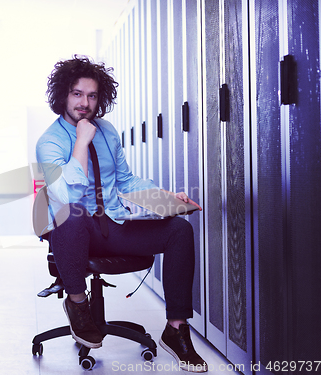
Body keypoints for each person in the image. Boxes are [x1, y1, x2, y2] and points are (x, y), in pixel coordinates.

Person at [35, 55, 207, 373]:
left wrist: (165, 199)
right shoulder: (50, 142)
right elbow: (66, 195)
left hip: (112, 225)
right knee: (70, 215)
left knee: (179, 229)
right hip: (74, 233)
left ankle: (176, 328)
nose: (85, 102)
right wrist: (81, 144)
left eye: (92, 95)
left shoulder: (108, 131)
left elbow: (126, 181)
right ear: (63, 95)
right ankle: (77, 304)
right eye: (77, 93)